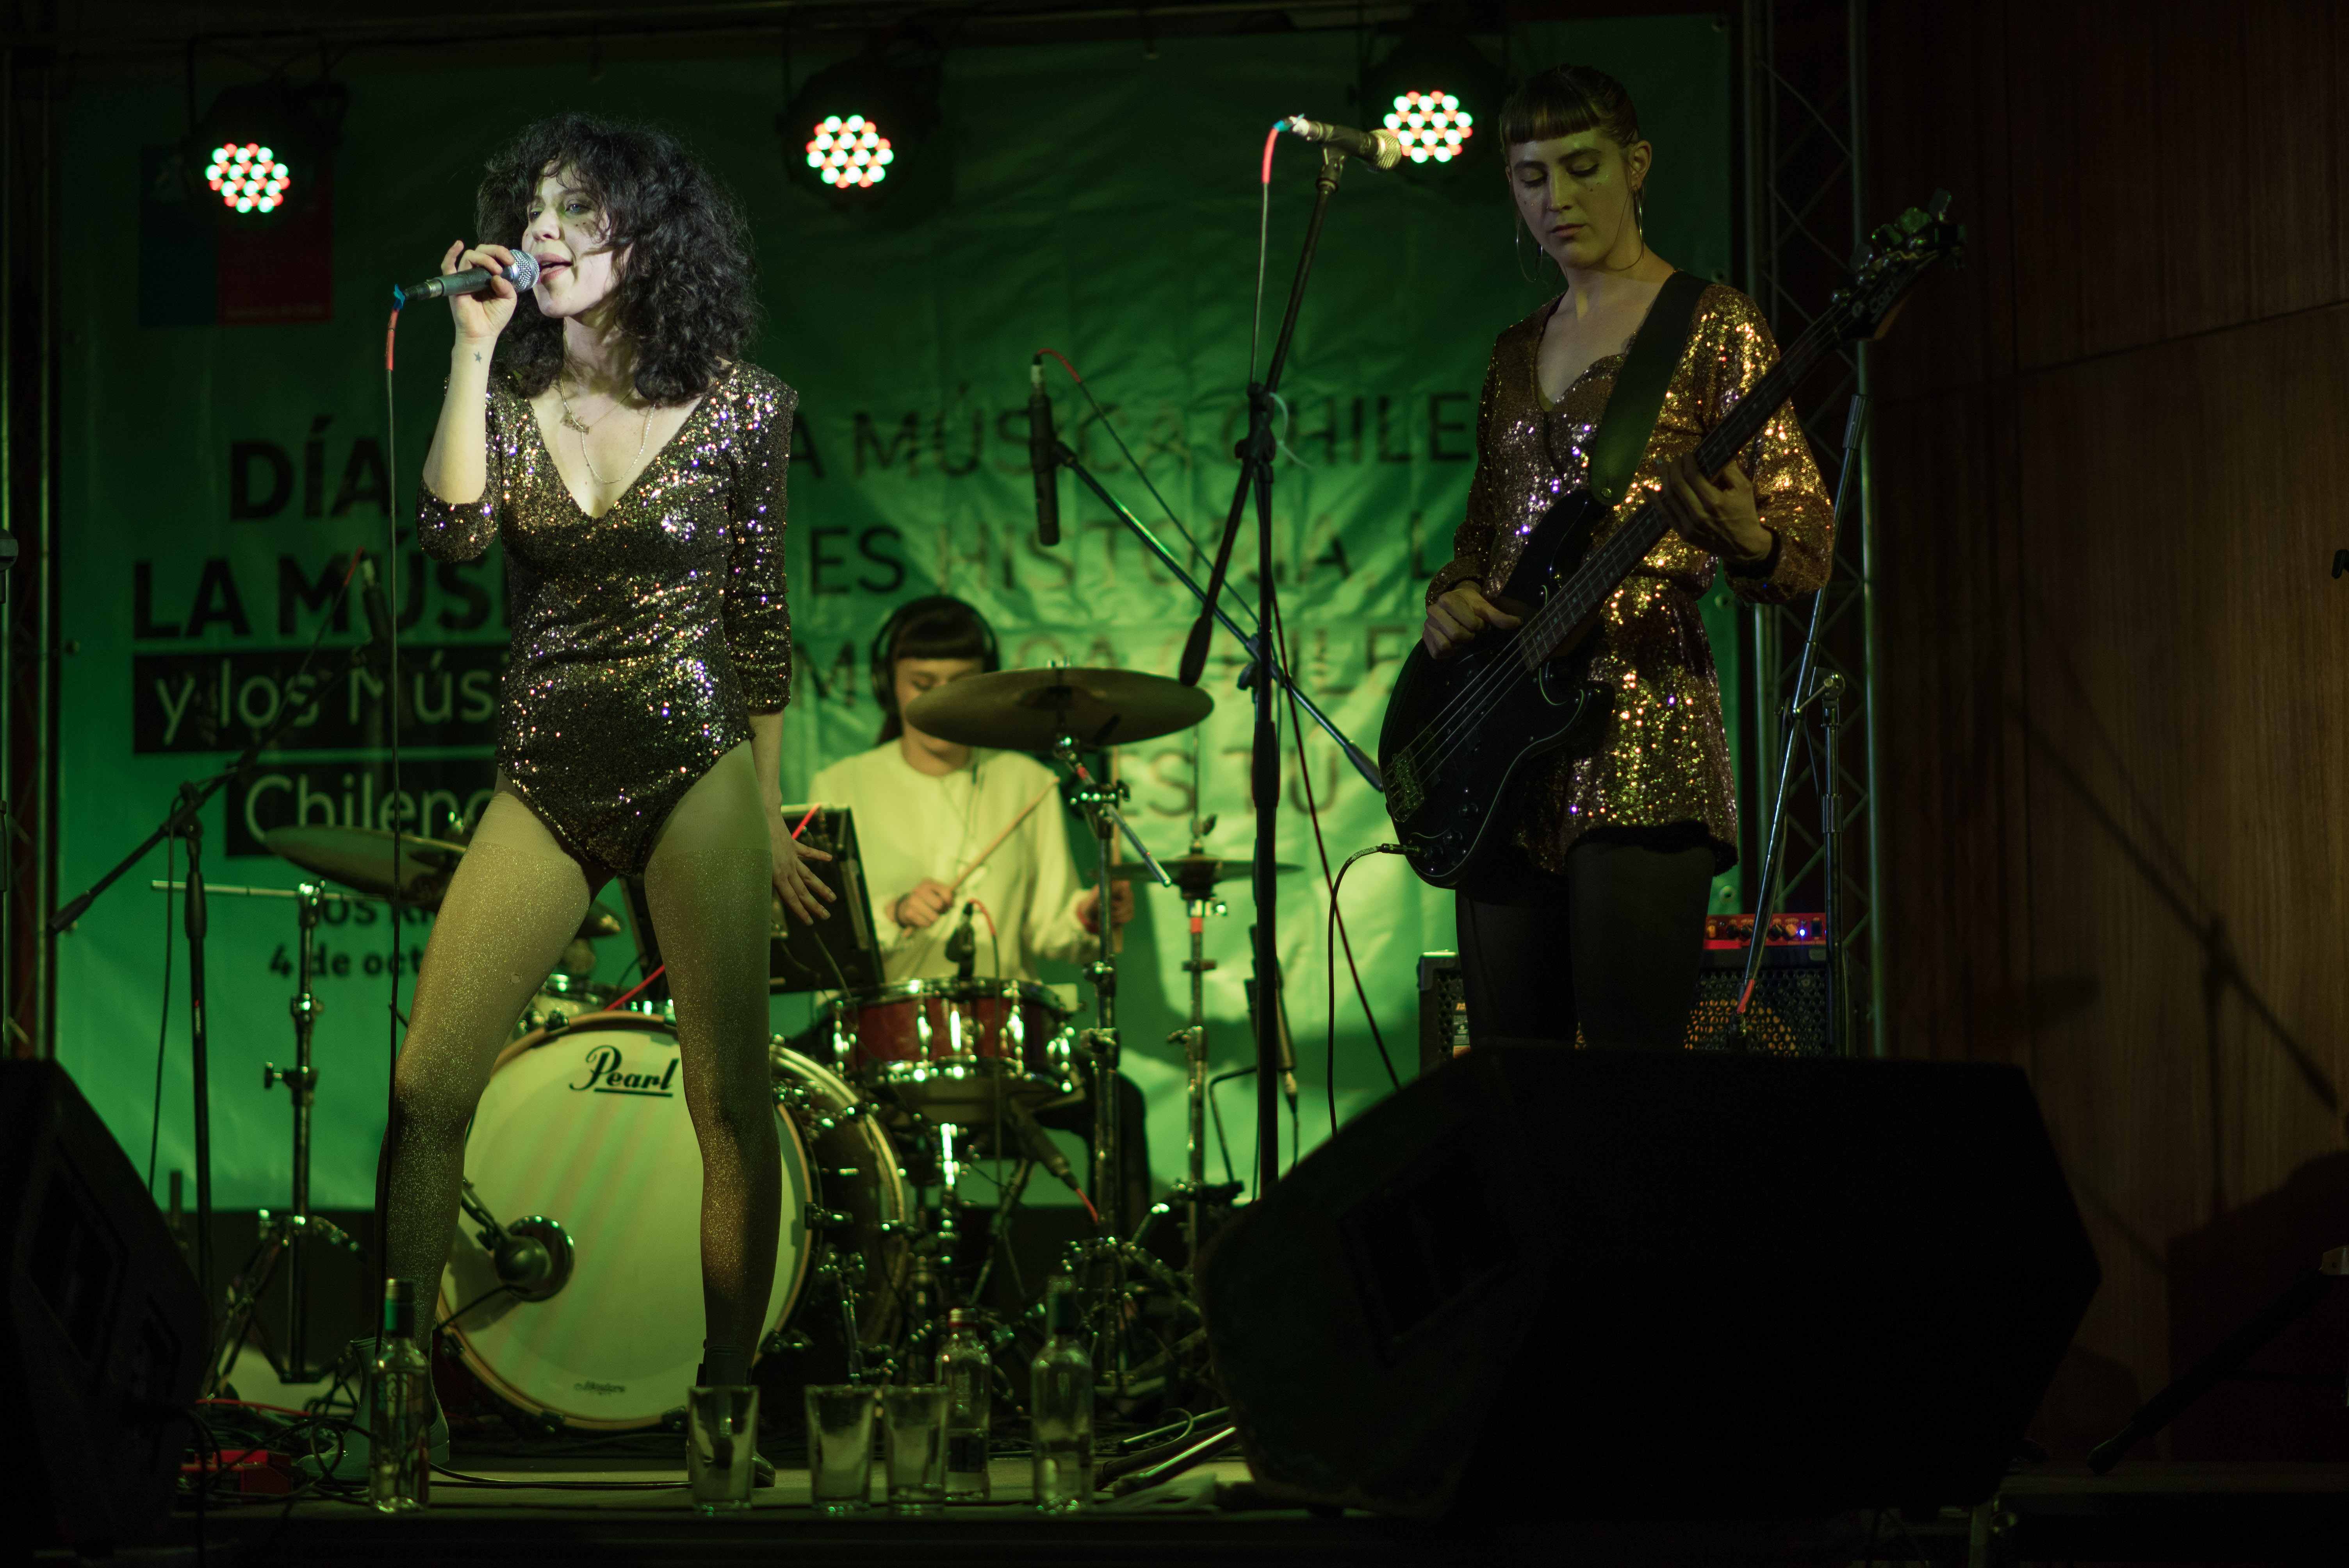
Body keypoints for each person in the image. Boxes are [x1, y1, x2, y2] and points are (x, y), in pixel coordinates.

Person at [377, 112, 834, 1450]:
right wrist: (470, 354)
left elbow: (759, 622)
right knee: (428, 1087)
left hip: (697, 759)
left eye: (579, 210)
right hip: (546, 768)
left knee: (727, 1101)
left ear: (649, 240)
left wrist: (765, 805)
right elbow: (452, 534)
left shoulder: (746, 405)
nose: (546, 231)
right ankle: (397, 1394)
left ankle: (726, 1399)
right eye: (535, 209)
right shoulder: (509, 399)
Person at [1420, 66, 1833, 1050]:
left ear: (1636, 164)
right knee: (1514, 1086)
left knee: (1625, 1082)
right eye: (1530, 178)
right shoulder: (1510, 353)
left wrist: (1745, 537)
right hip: (1504, 745)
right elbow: (1483, 533)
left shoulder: (1713, 323)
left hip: (1642, 723)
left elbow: (1805, 545)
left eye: (1582, 167)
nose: (1556, 199)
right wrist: (1453, 594)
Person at [807, 595, 1147, 1224]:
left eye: (959, 686)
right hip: (882, 1045)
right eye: (922, 685)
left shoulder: (1028, 782)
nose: (939, 702)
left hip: (1004, 1047)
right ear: (888, 685)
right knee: (794, 1097)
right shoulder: (841, 785)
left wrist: (1087, 918)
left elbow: (1049, 929)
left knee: (1118, 1101)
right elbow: (826, 936)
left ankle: (1120, 1273)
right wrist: (894, 911)